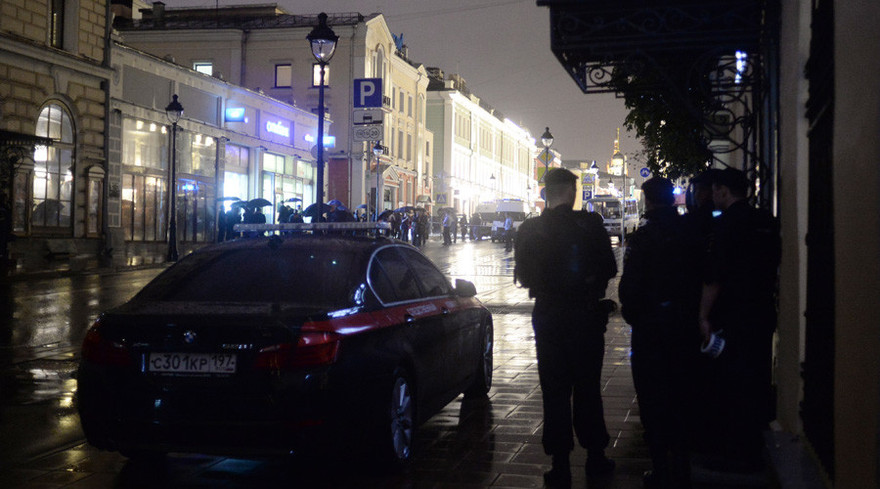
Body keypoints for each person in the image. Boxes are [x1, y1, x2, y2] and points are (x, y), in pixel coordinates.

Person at [514, 168, 618, 487]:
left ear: (546, 193)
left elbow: (524, 276)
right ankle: (595, 456)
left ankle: (559, 463)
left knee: (554, 389)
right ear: (572, 192)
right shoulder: (590, 225)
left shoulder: (530, 229)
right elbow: (610, 268)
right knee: (588, 387)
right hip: (586, 317)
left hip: (549, 316)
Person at [619, 177, 704, 488]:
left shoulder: (643, 237)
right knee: (683, 395)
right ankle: (683, 465)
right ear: (672, 199)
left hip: (651, 329)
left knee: (653, 398)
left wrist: (635, 316)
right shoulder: (691, 232)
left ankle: (660, 467)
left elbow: (630, 287)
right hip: (685, 324)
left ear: (647, 200)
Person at [698, 168, 780, 471]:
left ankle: (735, 451)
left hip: (732, 315)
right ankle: (755, 445)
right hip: (762, 311)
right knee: (757, 376)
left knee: (732, 380)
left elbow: (714, 276)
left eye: (716, 191)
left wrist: (703, 316)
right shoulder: (767, 222)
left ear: (722, 191)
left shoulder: (726, 225)